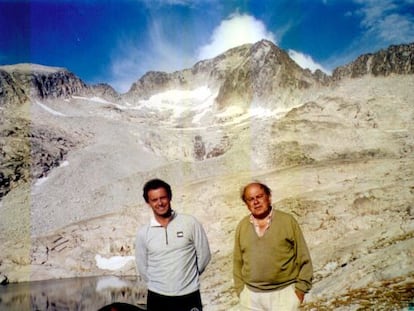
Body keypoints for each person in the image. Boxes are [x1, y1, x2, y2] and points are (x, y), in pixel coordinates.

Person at [233, 182, 313, 311]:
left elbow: (303, 257)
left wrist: (300, 292)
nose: (256, 202)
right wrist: (240, 291)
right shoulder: (242, 226)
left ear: (269, 197)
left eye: (259, 196)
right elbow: (237, 262)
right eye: (251, 199)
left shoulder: (287, 221)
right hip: (251, 297)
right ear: (246, 204)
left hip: (284, 295)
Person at [135, 178, 211, 311]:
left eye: (163, 197)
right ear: (148, 203)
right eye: (154, 200)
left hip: (189, 296)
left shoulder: (190, 223)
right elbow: (143, 267)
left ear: (170, 197)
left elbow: (204, 256)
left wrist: (188, 276)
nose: (160, 203)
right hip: (158, 298)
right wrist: (160, 284)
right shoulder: (144, 233)